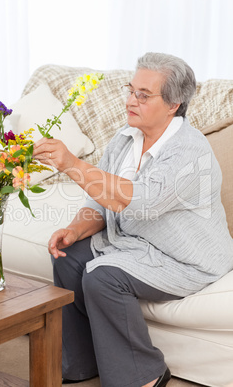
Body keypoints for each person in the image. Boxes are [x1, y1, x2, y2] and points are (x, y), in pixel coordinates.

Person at [32, 52, 233, 387]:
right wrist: (73, 230)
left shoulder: (189, 151)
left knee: (103, 277)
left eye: (143, 95)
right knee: (68, 256)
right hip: (135, 245)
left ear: (173, 104)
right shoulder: (124, 140)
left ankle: (145, 374)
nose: (130, 101)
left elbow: (140, 201)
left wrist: (71, 163)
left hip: (186, 260)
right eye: (130, 91)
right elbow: (99, 202)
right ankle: (80, 363)